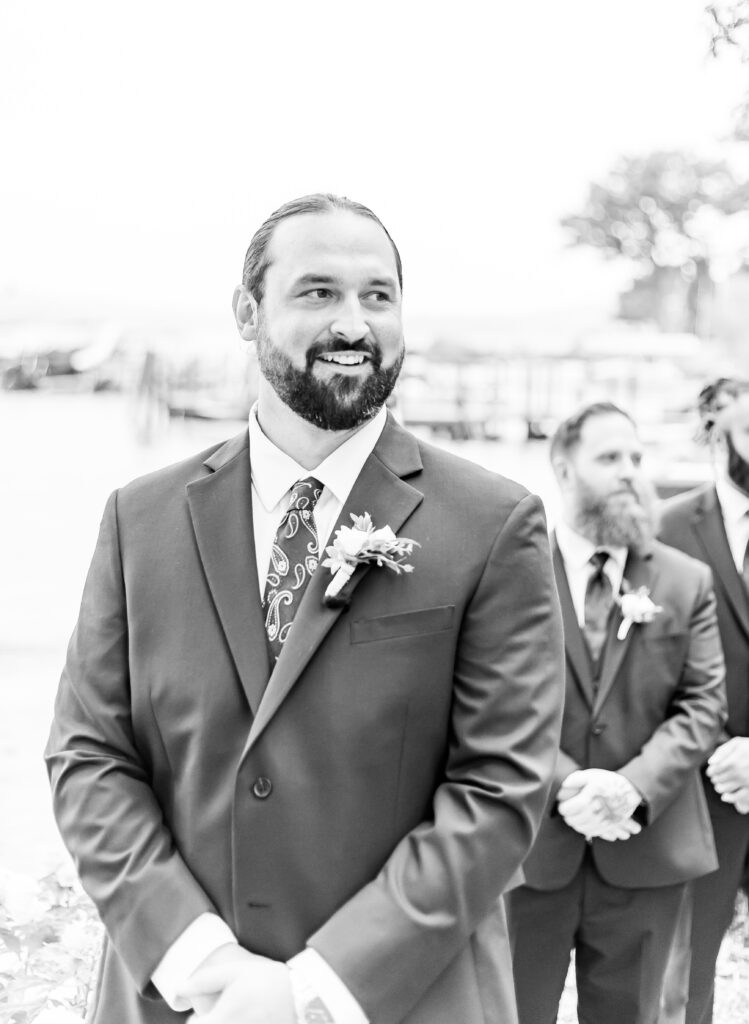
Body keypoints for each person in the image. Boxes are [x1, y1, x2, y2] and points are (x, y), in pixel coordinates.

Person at [45, 193, 565, 1024]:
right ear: (248, 314)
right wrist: (201, 960)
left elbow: (499, 789)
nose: (353, 322)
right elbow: (88, 756)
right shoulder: (137, 519)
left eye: (378, 295)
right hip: (179, 998)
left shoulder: (494, 524)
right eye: (317, 292)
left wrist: (314, 991)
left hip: (404, 998)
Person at [508, 401, 727, 1024]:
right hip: (530, 849)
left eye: (636, 457)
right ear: (563, 468)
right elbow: (489, 701)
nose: (631, 472)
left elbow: (703, 706)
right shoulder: (510, 575)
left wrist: (630, 789)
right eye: (609, 458)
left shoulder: (687, 582)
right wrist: (568, 783)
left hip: (646, 851)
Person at [658, 378, 749, 1024]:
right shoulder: (665, 529)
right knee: (681, 981)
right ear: (714, 430)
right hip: (699, 787)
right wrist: (716, 751)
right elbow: (643, 670)